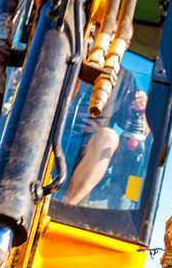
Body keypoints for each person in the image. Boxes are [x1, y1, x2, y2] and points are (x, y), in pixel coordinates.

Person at [61, 66, 151, 208]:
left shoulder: (125, 80)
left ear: (126, 44)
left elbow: (142, 133)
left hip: (88, 146)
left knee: (109, 137)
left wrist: (143, 112)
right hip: (49, 128)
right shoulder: (70, 52)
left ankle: (64, 206)